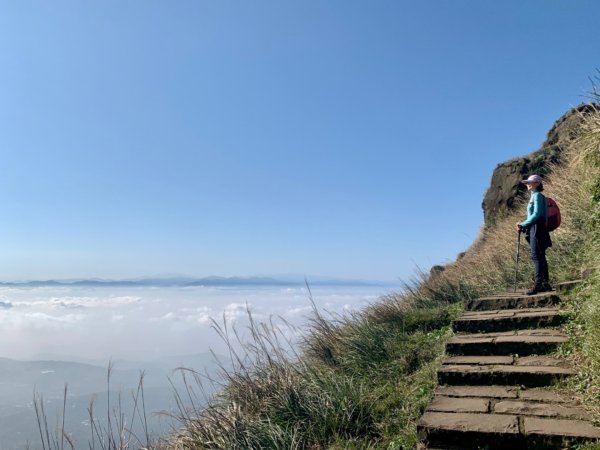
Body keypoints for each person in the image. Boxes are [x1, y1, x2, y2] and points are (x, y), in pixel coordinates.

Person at [515, 174, 552, 295]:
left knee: (536, 256)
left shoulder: (536, 196)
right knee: (541, 256)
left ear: (537, 183)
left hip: (536, 228)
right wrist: (524, 223)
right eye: (527, 183)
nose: (527, 184)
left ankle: (538, 285)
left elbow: (536, 215)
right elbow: (535, 215)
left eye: (530, 182)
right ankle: (545, 283)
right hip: (538, 227)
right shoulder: (536, 196)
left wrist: (523, 224)